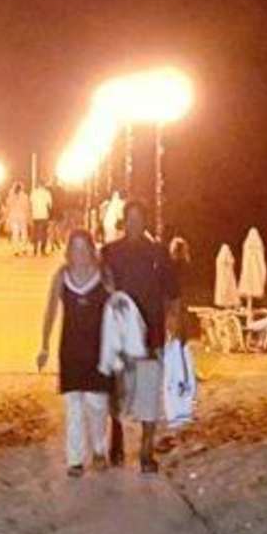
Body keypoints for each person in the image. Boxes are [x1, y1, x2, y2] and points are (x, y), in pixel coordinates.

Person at [102, 200, 178, 474]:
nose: (134, 223)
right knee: (117, 390)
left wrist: (173, 323)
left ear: (145, 221)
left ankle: (146, 451)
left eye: (138, 218)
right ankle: (117, 430)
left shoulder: (158, 253)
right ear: (124, 221)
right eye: (130, 219)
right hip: (120, 333)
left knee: (148, 390)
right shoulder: (110, 252)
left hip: (151, 332)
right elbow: (101, 287)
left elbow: (173, 292)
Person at [37, 229, 116, 476]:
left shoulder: (104, 276)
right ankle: (75, 460)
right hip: (70, 349)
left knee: (97, 404)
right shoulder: (62, 276)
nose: (79, 254)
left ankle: (99, 449)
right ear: (68, 252)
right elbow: (50, 310)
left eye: (83, 248)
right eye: (74, 249)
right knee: (74, 406)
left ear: (92, 250)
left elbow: (118, 310)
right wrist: (44, 345)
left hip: (99, 351)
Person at [29, 180, 54, 255]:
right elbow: (50, 205)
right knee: (43, 232)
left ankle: (35, 249)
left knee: (35, 232)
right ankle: (42, 249)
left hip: (35, 215)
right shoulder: (47, 193)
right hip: (44, 215)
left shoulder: (33, 193)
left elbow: (31, 203)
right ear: (44, 185)